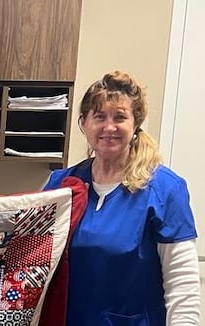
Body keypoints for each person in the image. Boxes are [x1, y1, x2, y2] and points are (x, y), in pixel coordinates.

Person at [43, 70, 200, 325]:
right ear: (84, 123)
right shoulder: (60, 186)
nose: (109, 127)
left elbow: (182, 285)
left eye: (120, 117)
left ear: (135, 124)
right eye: (100, 117)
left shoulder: (165, 190)